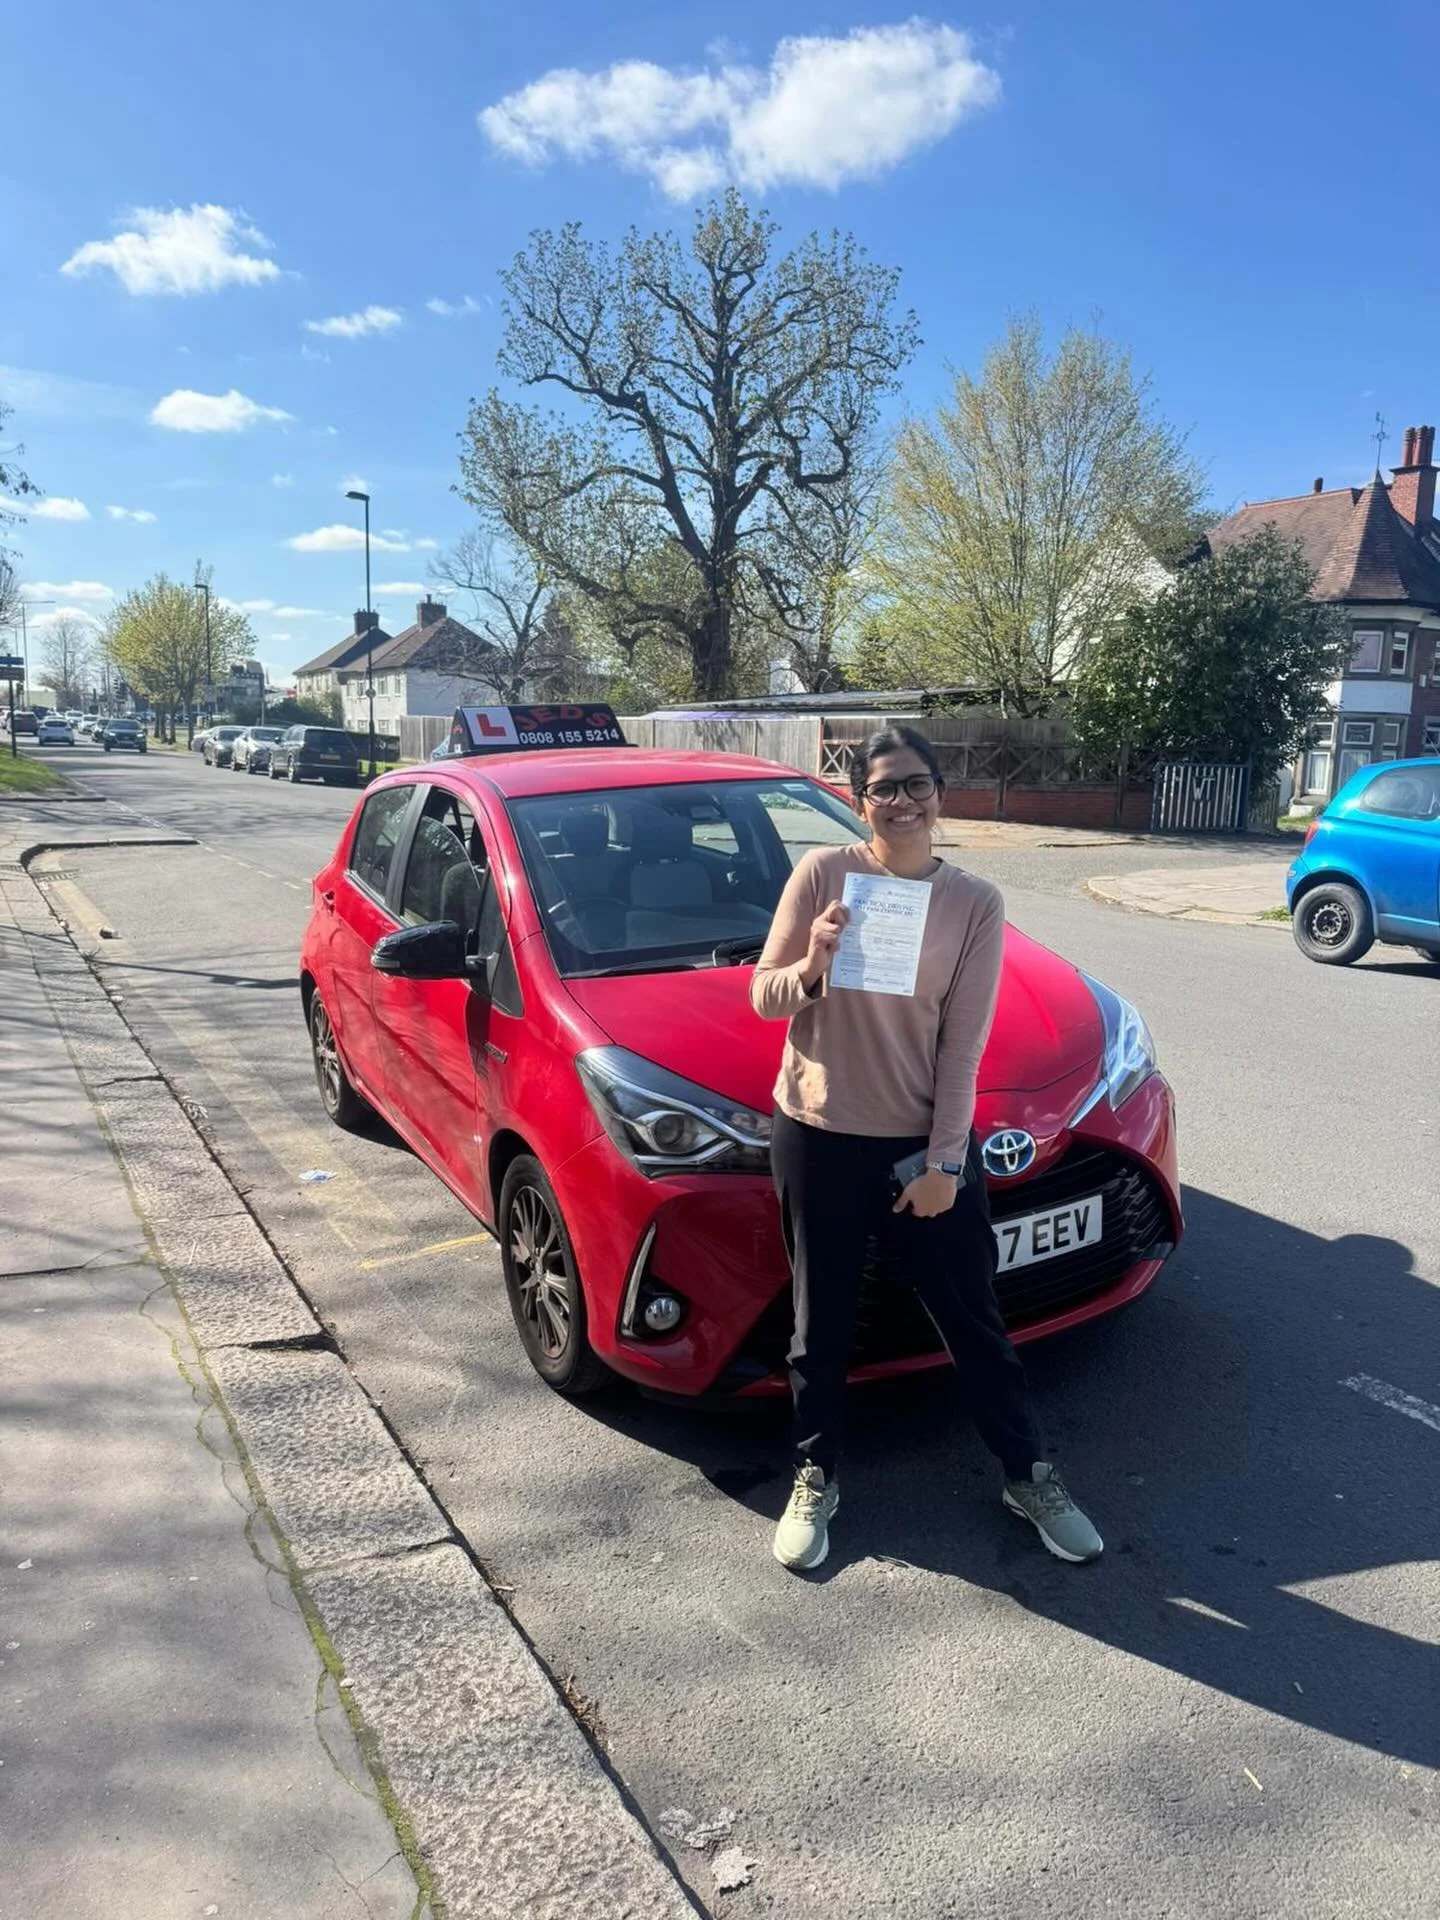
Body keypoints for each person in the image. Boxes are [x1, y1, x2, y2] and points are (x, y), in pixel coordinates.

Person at [750, 724, 1103, 1573]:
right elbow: (764, 997)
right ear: (859, 800)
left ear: (940, 795)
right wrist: (813, 964)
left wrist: (946, 1163)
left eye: (916, 785)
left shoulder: (974, 902)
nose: (901, 802)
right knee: (819, 1326)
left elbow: (963, 1045)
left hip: (921, 1146)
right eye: (883, 788)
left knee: (973, 1321)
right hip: (819, 1135)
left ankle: (1027, 1475)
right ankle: (815, 1476)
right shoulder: (822, 874)